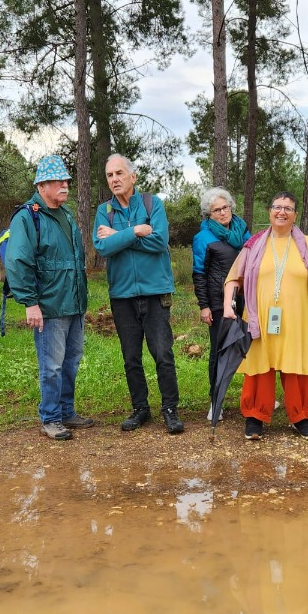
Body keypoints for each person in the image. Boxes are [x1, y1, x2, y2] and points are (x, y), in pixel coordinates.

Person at [222, 192, 308, 441]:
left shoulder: (307, 244)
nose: (281, 212)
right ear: (269, 211)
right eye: (277, 207)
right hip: (261, 320)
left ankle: (301, 417)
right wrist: (228, 307)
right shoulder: (254, 243)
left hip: (298, 320)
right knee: (259, 368)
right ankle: (255, 416)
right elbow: (234, 278)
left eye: (287, 208)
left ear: (295, 214)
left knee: (299, 368)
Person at [3, 154, 93, 441]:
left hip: (74, 304)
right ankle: (51, 418)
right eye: (57, 181)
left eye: (66, 180)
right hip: (49, 307)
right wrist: (30, 303)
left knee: (71, 362)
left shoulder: (65, 215)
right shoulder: (27, 217)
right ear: (42, 186)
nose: (65, 185)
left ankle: (66, 411)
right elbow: (17, 260)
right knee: (51, 366)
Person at [93, 154, 184, 434]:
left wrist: (119, 236)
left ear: (133, 177)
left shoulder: (151, 203)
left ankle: (170, 408)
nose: (115, 179)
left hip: (155, 293)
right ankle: (140, 408)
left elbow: (159, 241)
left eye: (120, 173)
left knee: (162, 353)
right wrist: (135, 231)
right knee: (131, 356)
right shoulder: (104, 211)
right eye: (110, 175)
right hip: (122, 295)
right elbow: (103, 248)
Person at [191, 187, 251, 420]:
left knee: (251, 348)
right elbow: (199, 273)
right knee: (219, 352)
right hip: (217, 302)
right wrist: (203, 306)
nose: (223, 212)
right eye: (217, 210)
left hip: (246, 298)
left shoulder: (242, 230)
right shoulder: (203, 237)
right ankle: (216, 401)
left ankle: (254, 397)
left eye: (225, 207)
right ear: (209, 213)